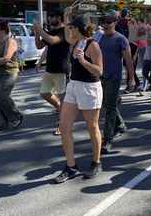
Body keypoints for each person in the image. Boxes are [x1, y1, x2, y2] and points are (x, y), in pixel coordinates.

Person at [53, 10, 104, 183]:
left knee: (92, 126)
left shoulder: (93, 45)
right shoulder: (76, 41)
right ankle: (71, 166)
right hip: (73, 86)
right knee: (64, 126)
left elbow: (99, 71)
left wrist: (83, 61)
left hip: (90, 88)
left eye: (72, 27)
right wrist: (66, 16)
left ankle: (96, 162)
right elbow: (67, 36)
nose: (69, 29)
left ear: (80, 28)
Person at [98, 10, 136, 154]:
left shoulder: (120, 39)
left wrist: (131, 78)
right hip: (101, 77)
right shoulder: (99, 37)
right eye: (104, 22)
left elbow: (128, 60)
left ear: (115, 22)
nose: (106, 24)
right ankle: (120, 125)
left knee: (109, 109)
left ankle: (107, 139)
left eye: (109, 21)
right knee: (107, 104)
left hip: (114, 77)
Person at [33, 7, 71, 136]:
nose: (49, 19)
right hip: (50, 69)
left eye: (52, 16)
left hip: (61, 69)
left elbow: (52, 41)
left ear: (60, 17)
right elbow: (40, 46)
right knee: (44, 93)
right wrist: (36, 33)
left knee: (63, 97)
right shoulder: (51, 31)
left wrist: (40, 30)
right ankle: (61, 108)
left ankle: (61, 124)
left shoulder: (64, 31)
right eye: (49, 16)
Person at [0, 21, 23, 132]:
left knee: (2, 97)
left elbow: (6, 58)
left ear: (2, 31)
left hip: (9, 72)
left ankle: (16, 116)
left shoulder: (10, 41)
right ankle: (2, 124)